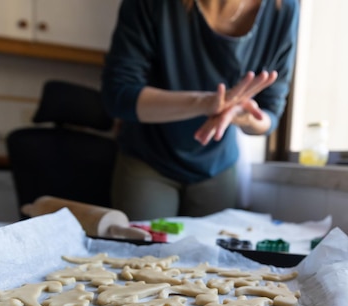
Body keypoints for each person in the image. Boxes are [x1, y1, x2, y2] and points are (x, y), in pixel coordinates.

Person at [101, 0, 299, 220]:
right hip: (149, 158)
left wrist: (243, 116)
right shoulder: (153, 6)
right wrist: (205, 103)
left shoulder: (284, 10)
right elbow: (118, 96)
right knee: (141, 250)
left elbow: (270, 113)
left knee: (213, 251)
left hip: (218, 165)